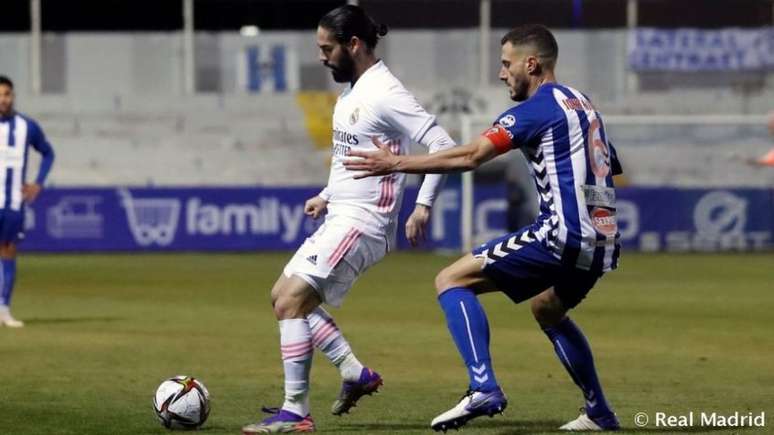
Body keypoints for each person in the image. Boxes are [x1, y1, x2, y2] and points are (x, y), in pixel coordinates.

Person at [345, 24, 622, 432]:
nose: (501, 73)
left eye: (506, 63)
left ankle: (483, 388)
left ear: (532, 64)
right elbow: (608, 163)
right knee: (547, 307)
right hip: (604, 239)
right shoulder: (581, 103)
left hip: (564, 234)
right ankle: (599, 412)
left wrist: (397, 163)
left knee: (451, 280)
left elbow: (473, 155)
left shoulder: (537, 108)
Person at [242, 5, 457, 434]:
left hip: (364, 223)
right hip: (342, 214)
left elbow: (443, 144)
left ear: (353, 45)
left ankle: (296, 413)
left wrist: (423, 204)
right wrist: (325, 194)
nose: (322, 57)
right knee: (281, 296)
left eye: (327, 48)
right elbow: (348, 157)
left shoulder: (384, 92)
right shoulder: (354, 90)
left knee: (291, 303)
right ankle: (354, 372)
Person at [0, 76, 55, 328]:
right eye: (0, 94)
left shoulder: (26, 127)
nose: (4, 99)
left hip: (12, 204)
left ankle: (4, 309)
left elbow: (48, 152)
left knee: (8, 253)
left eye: (7, 94)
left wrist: (38, 182)